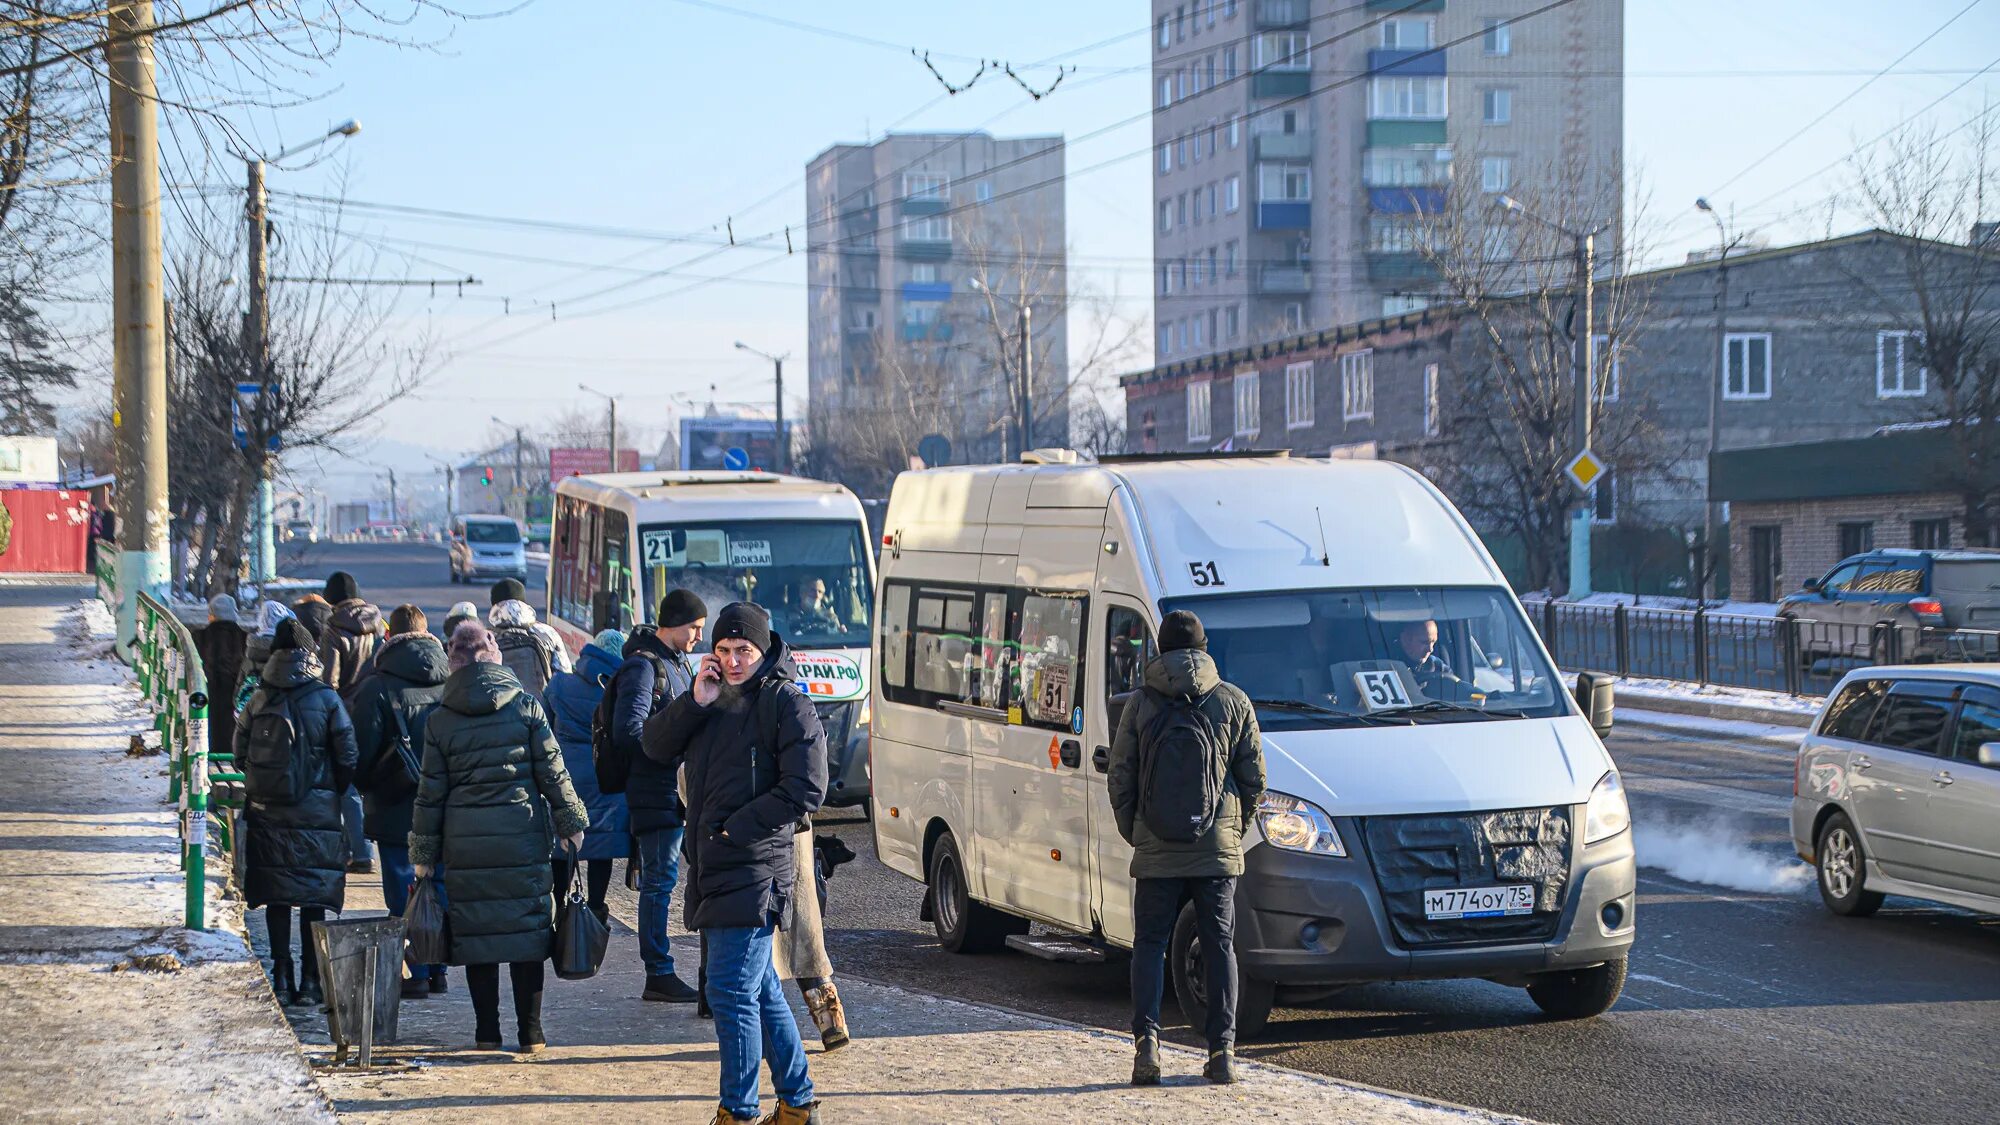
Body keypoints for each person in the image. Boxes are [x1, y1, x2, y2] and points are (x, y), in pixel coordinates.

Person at [641, 602, 826, 1125]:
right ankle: (796, 1102)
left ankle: (739, 1111)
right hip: (712, 864)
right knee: (759, 988)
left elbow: (807, 788)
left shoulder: (787, 702)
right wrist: (693, 703)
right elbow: (653, 747)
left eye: (743, 650)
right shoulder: (710, 698)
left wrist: (735, 828)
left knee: (728, 991)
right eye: (722, 650)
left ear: (763, 649)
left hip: (754, 865)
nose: (733, 660)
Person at [410, 622, 589, 1054]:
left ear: (453, 662)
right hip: (522, 840)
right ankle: (531, 1033)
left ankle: (486, 1033)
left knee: (478, 939)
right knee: (527, 937)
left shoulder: (439, 720)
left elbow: (430, 792)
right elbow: (553, 771)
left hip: (466, 845)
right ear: (495, 655)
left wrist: (424, 853)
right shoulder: (526, 706)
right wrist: (571, 822)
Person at [1108, 609, 1265, 1087]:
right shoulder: (1233, 701)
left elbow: (1120, 777)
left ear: (1159, 648)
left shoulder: (1139, 705)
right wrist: (1232, 832)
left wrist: (1137, 832)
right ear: (1204, 647)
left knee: (1150, 947)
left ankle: (1147, 1048)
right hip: (1215, 848)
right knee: (1219, 948)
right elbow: (1254, 780)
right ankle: (1221, 1053)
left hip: (1155, 848)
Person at [237, 618, 359, 1009]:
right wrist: (331, 791)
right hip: (316, 809)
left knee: (276, 896)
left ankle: (281, 975)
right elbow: (348, 754)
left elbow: (240, 753)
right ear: (310, 654)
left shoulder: (259, 697)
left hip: (268, 809)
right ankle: (311, 979)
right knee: (311, 896)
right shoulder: (325, 698)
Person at [349, 604, 451, 998]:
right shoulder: (450, 681)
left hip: (393, 804)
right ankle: (439, 968)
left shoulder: (377, 686)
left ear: (390, 637)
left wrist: (366, 785)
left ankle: (417, 971)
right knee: (438, 882)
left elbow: (361, 751)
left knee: (401, 885)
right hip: (441, 802)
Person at [611, 588, 705, 1003]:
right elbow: (627, 730)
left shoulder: (676, 662)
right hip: (657, 792)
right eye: (695, 628)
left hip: (676, 792)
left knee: (674, 879)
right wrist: (674, 749)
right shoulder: (644, 667)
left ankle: (671, 971)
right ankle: (659, 972)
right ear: (675, 624)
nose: (698, 637)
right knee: (659, 883)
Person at [541, 627, 631, 927]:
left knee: (564, 841)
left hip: (565, 776)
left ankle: (560, 904)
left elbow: (543, 730)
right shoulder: (620, 689)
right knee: (600, 846)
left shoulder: (559, 684)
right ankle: (594, 909)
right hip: (605, 776)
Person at [486, 577, 572, 699]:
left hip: (499, 711)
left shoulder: (487, 638)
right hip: (540, 711)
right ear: (523, 603)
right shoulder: (547, 633)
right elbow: (564, 676)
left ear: (494, 605)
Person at [192, 594, 247, 762]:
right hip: (236, 707)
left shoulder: (198, 637)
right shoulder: (246, 639)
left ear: (211, 614)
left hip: (206, 706)